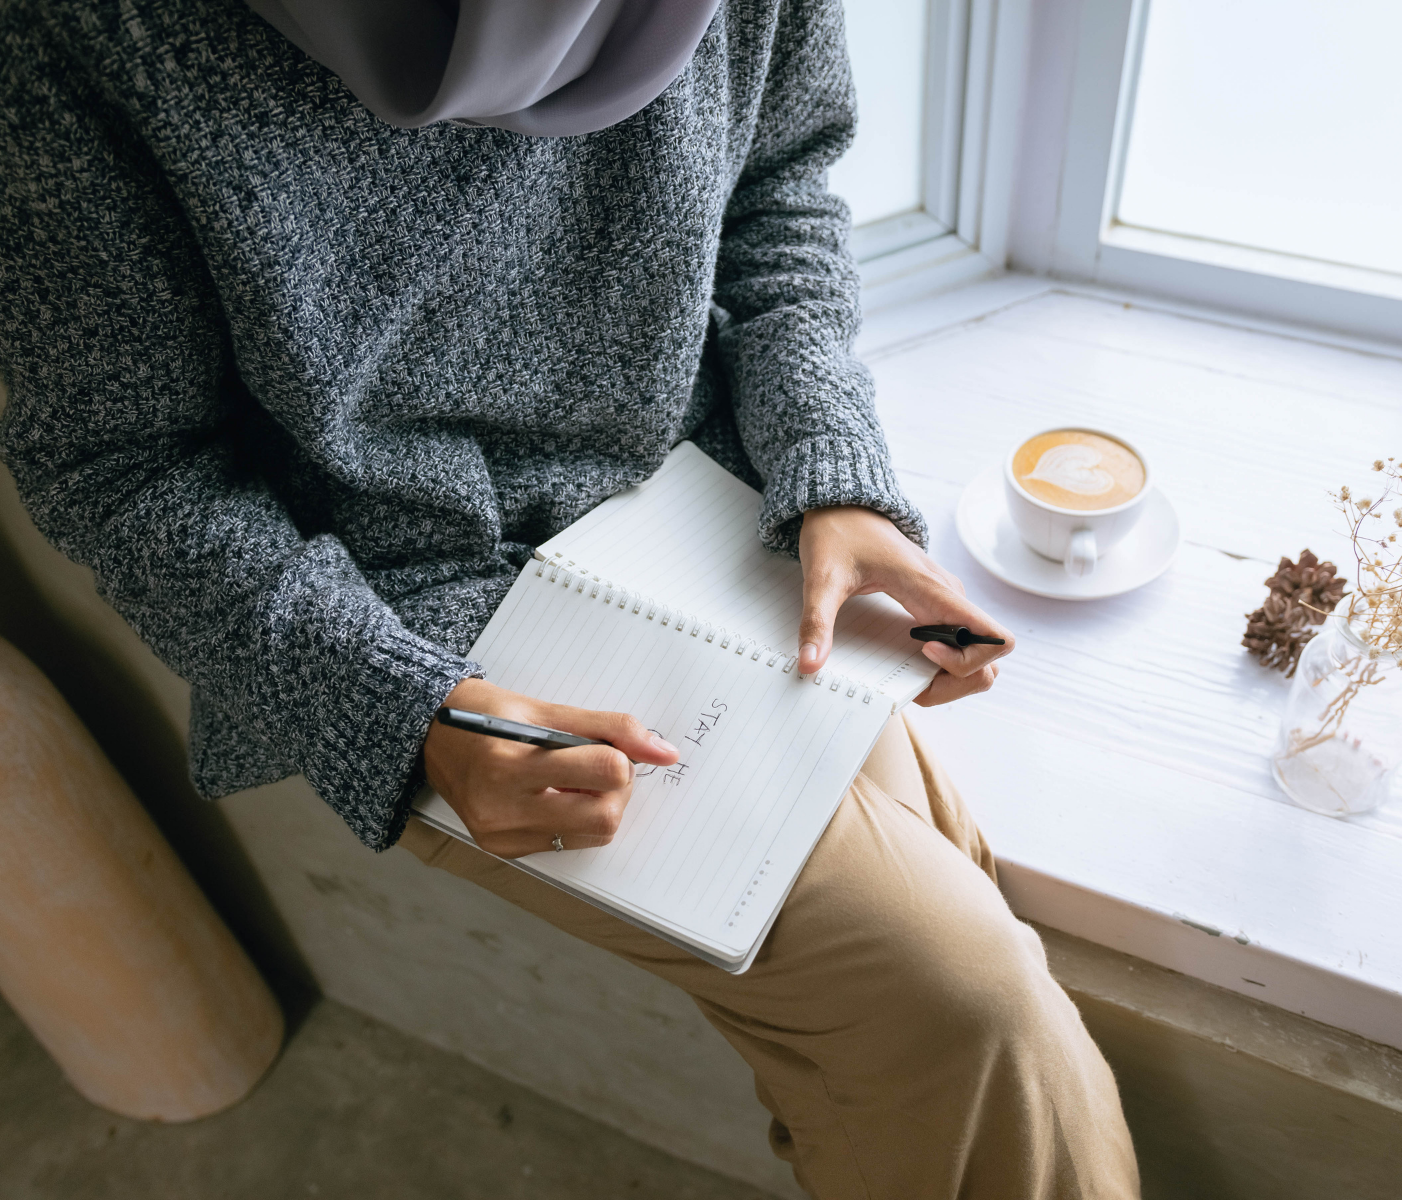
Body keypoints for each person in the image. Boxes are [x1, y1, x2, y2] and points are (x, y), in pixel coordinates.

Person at [0, 0, 1140, 1195]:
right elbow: (122, 465)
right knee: (963, 1005)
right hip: (409, 607)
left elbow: (782, 184)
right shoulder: (83, 29)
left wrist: (829, 474)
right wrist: (403, 713)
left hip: (695, 489)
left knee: (947, 977)